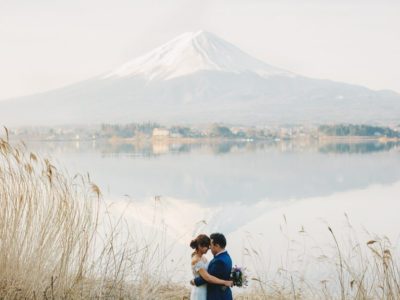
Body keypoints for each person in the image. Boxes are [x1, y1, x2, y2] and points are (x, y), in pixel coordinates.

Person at [190, 234, 233, 300]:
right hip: (201, 291)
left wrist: (195, 281)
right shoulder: (226, 256)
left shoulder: (218, 260)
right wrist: (226, 281)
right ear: (199, 246)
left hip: (217, 295)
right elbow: (209, 276)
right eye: (207, 246)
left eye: (210, 245)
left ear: (217, 246)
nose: (209, 248)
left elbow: (209, 277)